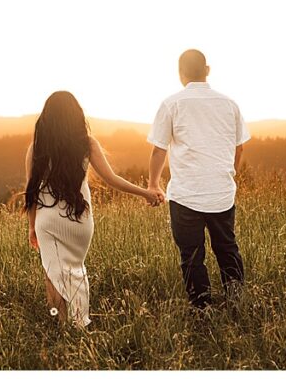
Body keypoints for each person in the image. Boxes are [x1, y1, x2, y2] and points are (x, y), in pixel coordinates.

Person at [24, 91, 163, 327]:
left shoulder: (36, 148)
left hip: (47, 220)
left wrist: (31, 227)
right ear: (76, 115)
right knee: (76, 269)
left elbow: (31, 192)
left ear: (46, 117)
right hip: (80, 219)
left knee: (53, 274)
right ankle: (80, 322)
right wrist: (145, 192)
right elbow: (111, 179)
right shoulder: (87, 143)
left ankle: (64, 326)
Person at [147, 49, 250, 309]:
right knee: (227, 248)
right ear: (207, 70)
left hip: (186, 195)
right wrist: (229, 173)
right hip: (222, 193)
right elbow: (239, 147)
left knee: (192, 256)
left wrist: (153, 184)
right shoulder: (229, 104)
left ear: (180, 74)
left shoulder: (172, 103)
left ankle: (202, 308)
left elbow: (159, 149)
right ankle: (236, 302)